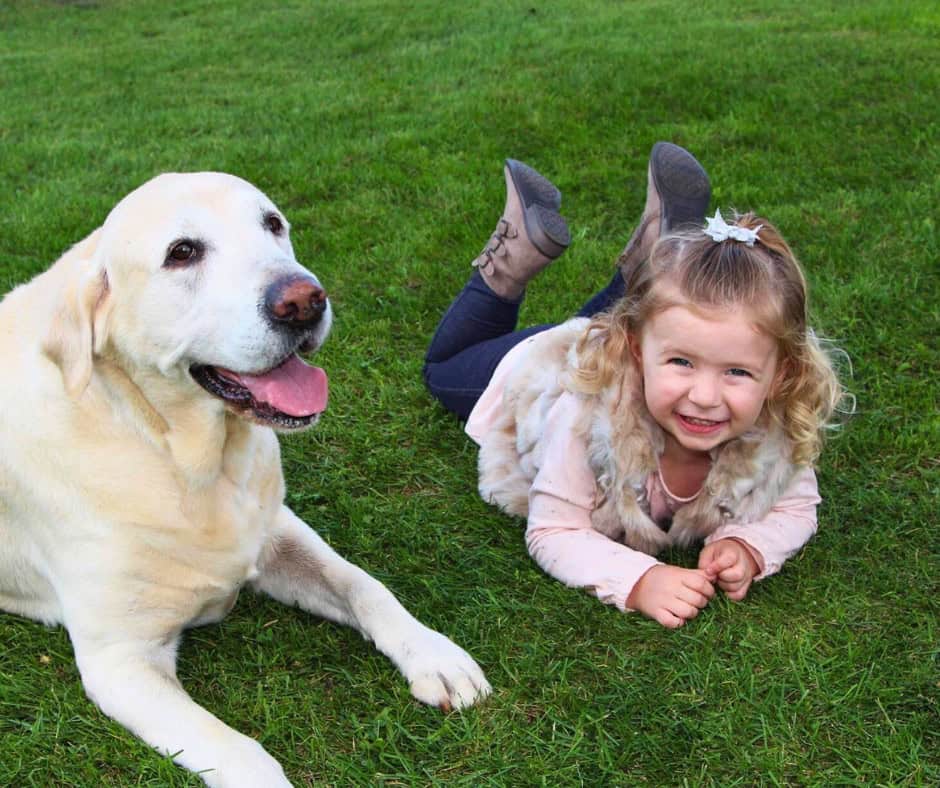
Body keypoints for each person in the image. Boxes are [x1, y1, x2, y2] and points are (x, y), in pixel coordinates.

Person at [422, 143, 846, 629]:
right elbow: (553, 529)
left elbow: (797, 507)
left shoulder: (773, 429)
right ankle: (510, 262)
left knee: (647, 321)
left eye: (737, 372)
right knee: (441, 370)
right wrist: (638, 579)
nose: (705, 397)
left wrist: (750, 546)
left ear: (782, 374)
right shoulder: (587, 420)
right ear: (634, 352)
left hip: (623, 336)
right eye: (683, 363)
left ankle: (644, 269)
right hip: (533, 372)